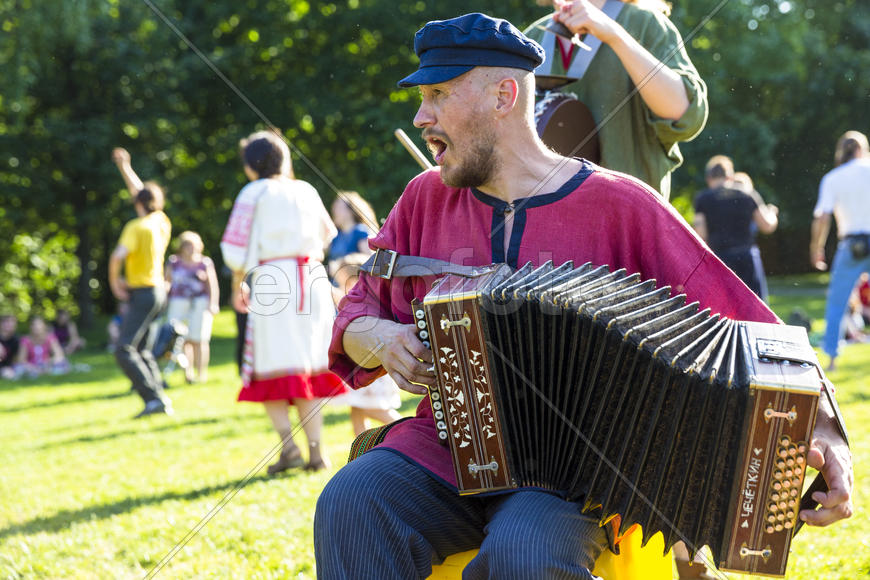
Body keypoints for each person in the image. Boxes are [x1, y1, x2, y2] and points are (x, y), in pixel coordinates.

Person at [314, 14, 853, 579]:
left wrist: (826, 437)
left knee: (526, 548)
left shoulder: (623, 205)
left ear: (503, 95)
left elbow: (755, 334)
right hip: (444, 447)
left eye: (437, 94)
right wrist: (384, 336)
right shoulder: (425, 197)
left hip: (575, 474)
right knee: (352, 500)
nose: (421, 115)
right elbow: (357, 309)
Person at [221, 130, 346, 474]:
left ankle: (290, 448)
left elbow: (233, 250)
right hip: (310, 278)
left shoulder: (253, 192)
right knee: (308, 366)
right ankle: (317, 453)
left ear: (251, 164)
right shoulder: (304, 189)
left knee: (270, 368)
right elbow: (328, 234)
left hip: (273, 282)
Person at [525, 0, 708, 199]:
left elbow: (684, 114)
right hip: (547, 220)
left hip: (627, 219)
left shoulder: (645, 23)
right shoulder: (532, 38)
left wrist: (615, 35)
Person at [109, 147, 173, 418]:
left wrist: (115, 282)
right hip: (159, 292)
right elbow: (140, 193)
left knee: (124, 349)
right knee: (144, 350)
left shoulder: (136, 227)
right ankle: (158, 397)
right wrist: (126, 167)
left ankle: (153, 398)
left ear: (138, 203)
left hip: (143, 292)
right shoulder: (161, 221)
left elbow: (117, 256)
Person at [810, 130, 870, 371]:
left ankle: (833, 359)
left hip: (850, 244)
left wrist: (816, 247)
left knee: (837, 302)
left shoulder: (833, 178)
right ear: (861, 149)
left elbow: (822, 217)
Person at [329, 253, 402, 436]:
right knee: (357, 409)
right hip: (359, 363)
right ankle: (360, 446)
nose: (341, 286)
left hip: (368, 366)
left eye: (343, 280)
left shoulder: (363, 299)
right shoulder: (357, 298)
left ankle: (403, 429)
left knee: (372, 408)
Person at [693, 155, 779, 301]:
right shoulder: (747, 194)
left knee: (723, 306)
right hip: (747, 258)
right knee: (755, 304)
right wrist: (772, 213)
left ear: (709, 178)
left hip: (719, 259)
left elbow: (701, 235)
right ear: (730, 177)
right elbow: (767, 226)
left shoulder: (703, 198)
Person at [165, 231, 220, 383]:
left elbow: (212, 285)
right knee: (182, 340)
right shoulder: (174, 262)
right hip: (178, 302)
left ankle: (201, 374)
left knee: (199, 339)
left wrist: (213, 303)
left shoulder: (204, 262)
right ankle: (187, 373)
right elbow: (167, 281)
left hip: (199, 303)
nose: (190, 249)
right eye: (187, 245)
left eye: (193, 245)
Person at [327, 191, 376, 275]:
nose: (334, 211)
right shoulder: (336, 235)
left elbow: (373, 261)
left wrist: (344, 264)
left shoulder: (360, 231)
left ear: (351, 211)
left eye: (338, 208)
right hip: (337, 286)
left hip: (355, 285)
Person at [0, 314, 21, 380]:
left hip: (9, 367)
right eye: (7, 322)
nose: (10, 324)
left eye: (12, 322)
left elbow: (16, 359)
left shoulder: (16, 340)